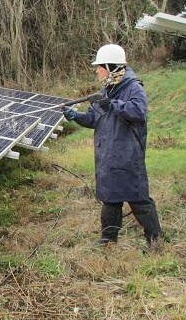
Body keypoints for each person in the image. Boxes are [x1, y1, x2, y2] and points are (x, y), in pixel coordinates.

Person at [62, 44, 163, 252]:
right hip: (107, 156)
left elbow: (138, 111)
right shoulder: (107, 89)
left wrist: (112, 104)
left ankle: (155, 240)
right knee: (110, 199)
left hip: (127, 156)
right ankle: (108, 239)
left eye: (99, 67)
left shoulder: (133, 87)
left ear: (110, 66)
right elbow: (93, 119)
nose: (97, 71)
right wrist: (76, 116)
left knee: (138, 200)